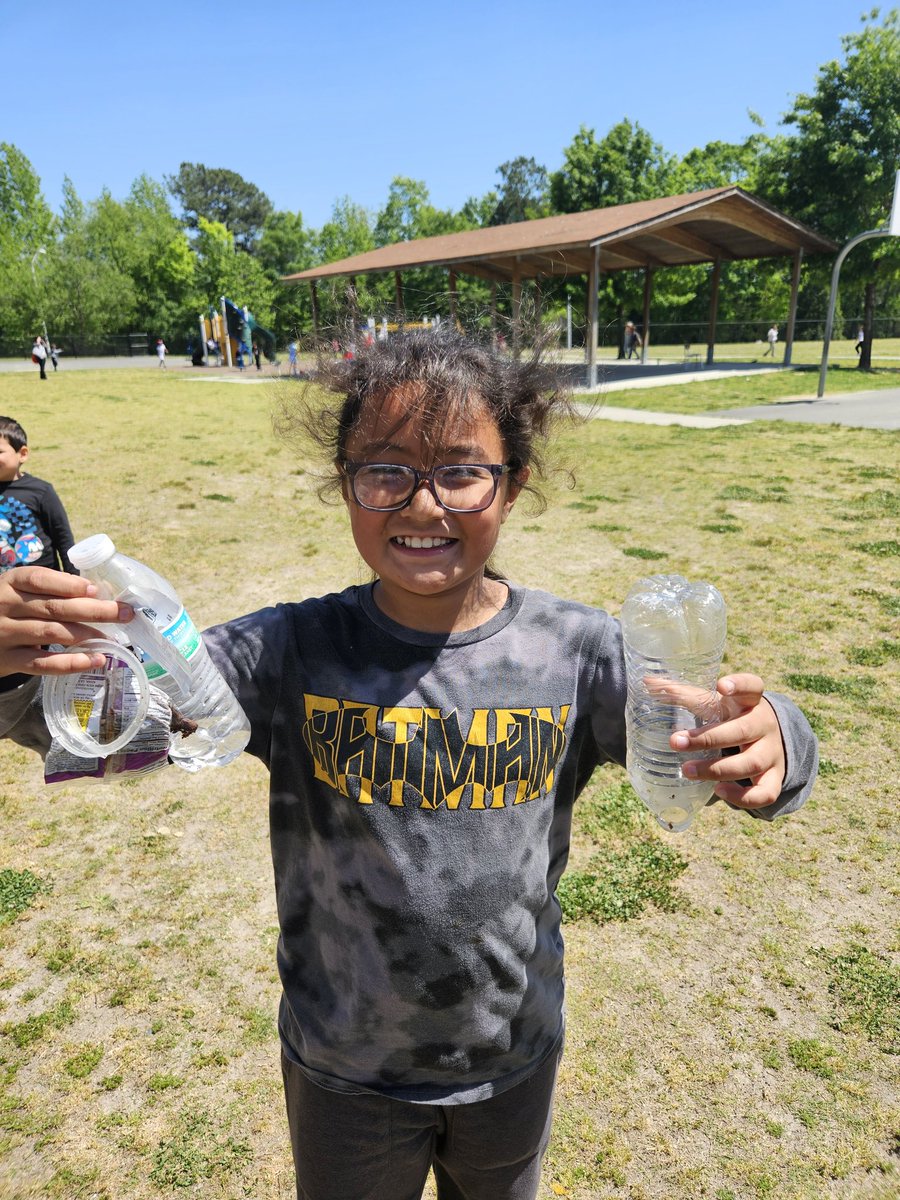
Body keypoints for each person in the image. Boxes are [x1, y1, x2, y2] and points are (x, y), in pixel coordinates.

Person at [0, 328, 818, 1200]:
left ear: (516, 482)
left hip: (511, 1055)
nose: (423, 506)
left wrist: (773, 739)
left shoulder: (575, 653)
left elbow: (726, 738)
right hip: (345, 1069)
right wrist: (23, 666)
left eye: (462, 471)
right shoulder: (294, 650)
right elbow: (118, 728)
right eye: (385, 471)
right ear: (344, 484)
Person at [0, 415, 77, 578]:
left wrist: (75, 577)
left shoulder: (40, 491)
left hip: (44, 581)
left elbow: (63, 539)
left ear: (22, 454)